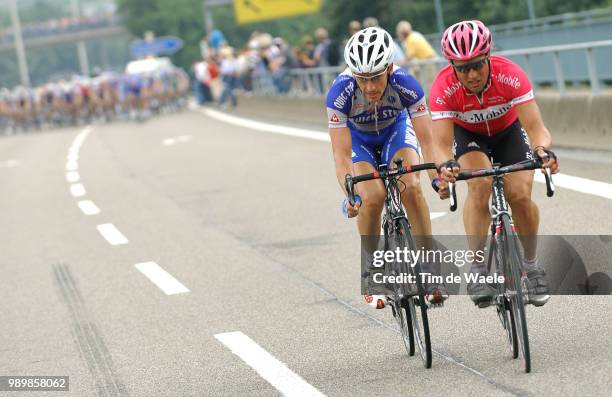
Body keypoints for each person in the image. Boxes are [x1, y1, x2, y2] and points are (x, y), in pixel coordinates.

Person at [430, 20, 560, 308]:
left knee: (520, 196)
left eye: (477, 64)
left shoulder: (511, 75)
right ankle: (477, 269)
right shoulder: (443, 88)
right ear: (452, 66)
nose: (472, 74)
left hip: (508, 133)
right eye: (463, 68)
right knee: (479, 185)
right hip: (469, 138)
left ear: (488, 57)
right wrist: (445, 166)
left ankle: (532, 265)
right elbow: (439, 145)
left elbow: (537, 128)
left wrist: (541, 151)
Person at [326, 27, 446, 309]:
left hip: (395, 131)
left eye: (376, 77)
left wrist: (437, 179)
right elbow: (341, 155)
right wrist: (349, 194)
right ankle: (371, 270)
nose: (369, 87)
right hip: (360, 141)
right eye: (362, 79)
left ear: (390, 67)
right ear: (353, 74)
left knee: (412, 188)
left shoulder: (407, 84)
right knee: (372, 196)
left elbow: (429, 142)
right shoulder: (339, 93)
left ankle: (429, 268)